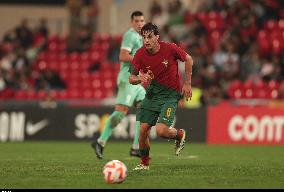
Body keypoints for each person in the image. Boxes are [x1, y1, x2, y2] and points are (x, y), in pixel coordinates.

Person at [129, 22, 194, 170]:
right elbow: (131, 78)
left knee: (161, 131)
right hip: (152, 94)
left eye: (150, 36)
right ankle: (144, 164)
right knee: (143, 130)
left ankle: (179, 134)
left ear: (157, 37)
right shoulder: (139, 54)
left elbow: (188, 59)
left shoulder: (170, 48)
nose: (146, 40)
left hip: (170, 95)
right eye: (144, 37)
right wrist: (140, 78)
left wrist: (188, 83)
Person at [91, 11, 146, 159]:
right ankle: (100, 141)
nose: (139, 23)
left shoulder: (142, 37)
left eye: (142, 21)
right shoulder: (130, 35)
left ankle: (136, 147)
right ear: (131, 22)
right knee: (120, 113)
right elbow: (122, 56)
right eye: (136, 21)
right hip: (127, 79)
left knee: (145, 109)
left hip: (136, 81)